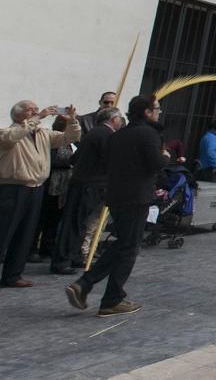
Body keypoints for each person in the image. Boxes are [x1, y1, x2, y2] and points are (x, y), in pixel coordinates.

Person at [66, 95, 163, 316]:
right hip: (136, 196)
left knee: (124, 244)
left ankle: (86, 285)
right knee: (129, 248)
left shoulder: (118, 135)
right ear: (147, 112)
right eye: (156, 109)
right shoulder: (148, 133)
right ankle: (109, 298)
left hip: (116, 195)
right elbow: (155, 164)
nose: (159, 113)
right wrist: (166, 157)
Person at [1, 101, 81, 288]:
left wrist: (72, 121)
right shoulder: (7, 132)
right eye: (31, 110)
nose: (36, 112)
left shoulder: (42, 134)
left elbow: (69, 138)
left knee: (25, 233)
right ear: (19, 115)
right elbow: (13, 136)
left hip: (36, 188)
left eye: (37, 109)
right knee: (4, 231)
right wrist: (40, 117)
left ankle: (12, 275)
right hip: (13, 188)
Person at [51, 106, 124, 274]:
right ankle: (63, 260)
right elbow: (110, 160)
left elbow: (75, 158)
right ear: (113, 120)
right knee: (76, 222)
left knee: (81, 223)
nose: (121, 121)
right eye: (119, 118)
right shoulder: (105, 135)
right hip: (90, 184)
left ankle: (74, 255)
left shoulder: (94, 133)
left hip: (86, 182)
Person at [31, 118, 76, 262]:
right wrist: (71, 163)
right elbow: (52, 160)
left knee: (54, 219)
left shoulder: (70, 142)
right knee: (42, 218)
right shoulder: (53, 140)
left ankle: (47, 247)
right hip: (51, 184)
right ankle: (32, 249)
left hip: (63, 185)